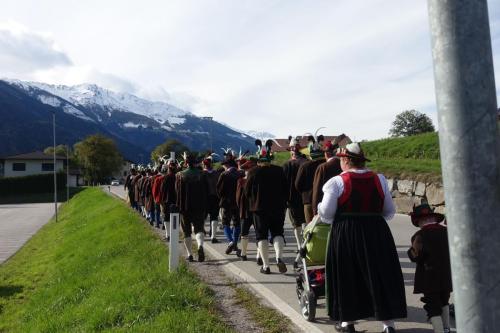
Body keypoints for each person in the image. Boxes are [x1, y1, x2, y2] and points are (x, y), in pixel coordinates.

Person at [318, 142, 407, 333]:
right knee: (381, 274)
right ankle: (388, 324)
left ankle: (347, 322)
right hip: (376, 232)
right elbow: (389, 211)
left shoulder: (336, 182)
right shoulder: (380, 179)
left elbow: (326, 213)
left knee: (347, 274)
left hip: (346, 232)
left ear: (345, 160)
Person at [245, 139, 288, 274]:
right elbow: (286, 190)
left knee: (261, 236)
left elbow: (246, 192)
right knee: (277, 233)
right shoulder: (279, 170)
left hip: (259, 209)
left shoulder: (252, 172)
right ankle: (279, 258)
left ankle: (266, 266)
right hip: (278, 208)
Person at [407, 204, 452, 333]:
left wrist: (410, 252)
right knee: (444, 301)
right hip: (447, 276)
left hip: (429, 278)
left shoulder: (419, 236)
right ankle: (447, 328)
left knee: (433, 307)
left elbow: (417, 257)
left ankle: (439, 331)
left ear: (420, 221)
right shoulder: (447, 232)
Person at [176, 153, 209, 262]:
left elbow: (177, 192)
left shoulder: (180, 175)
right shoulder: (202, 174)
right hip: (199, 206)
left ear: (185, 163)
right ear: (195, 162)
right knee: (199, 228)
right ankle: (200, 246)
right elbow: (207, 191)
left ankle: (190, 254)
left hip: (185, 207)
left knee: (187, 231)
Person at [311, 135, 347, 216]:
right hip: (343, 208)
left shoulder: (322, 167)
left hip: (326, 209)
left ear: (326, 154)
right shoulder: (345, 165)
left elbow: (316, 190)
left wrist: (315, 212)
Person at [282, 135, 307, 247]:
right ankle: (304, 245)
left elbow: (283, 183)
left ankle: (300, 246)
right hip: (305, 197)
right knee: (304, 222)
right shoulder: (307, 162)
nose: (293, 150)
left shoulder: (287, 164)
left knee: (297, 223)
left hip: (292, 198)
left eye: (293, 148)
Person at [295, 134, 326, 223]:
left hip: (308, 200)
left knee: (310, 228)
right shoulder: (326, 165)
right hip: (325, 200)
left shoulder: (305, 166)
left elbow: (298, 185)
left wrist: (305, 193)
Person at [217, 152, 242, 255]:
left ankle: (231, 241)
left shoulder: (224, 174)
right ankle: (235, 242)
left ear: (226, 165)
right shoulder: (241, 173)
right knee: (237, 223)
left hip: (227, 202)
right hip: (238, 202)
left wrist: (221, 198)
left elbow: (219, 190)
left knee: (225, 223)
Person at [236, 157, 257, 261]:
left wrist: (240, 208)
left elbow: (238, 197)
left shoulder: (241, 181)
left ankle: (244, 254)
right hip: (257, 210)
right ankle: (259, 256)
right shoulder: (259, 181)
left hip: (245, 210)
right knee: (259, 233)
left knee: (244, 233)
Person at [202, 154, 222, 243]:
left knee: (203, 216)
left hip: (204, 198)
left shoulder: (201, 174)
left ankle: (202, 232)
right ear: (211, 164)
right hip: (215, 197)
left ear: (204, 165)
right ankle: (213, 236)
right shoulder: (217, 174)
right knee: (214, 217)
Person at [160, 159, 178, 241]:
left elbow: (162, 190)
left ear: (168, 168)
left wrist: (162, 201)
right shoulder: (179, 176)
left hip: (167, 201)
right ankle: (174, 235)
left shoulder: (166, 177)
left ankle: (168, 235)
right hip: (177, 201)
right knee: (175, 219)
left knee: (167, 218)